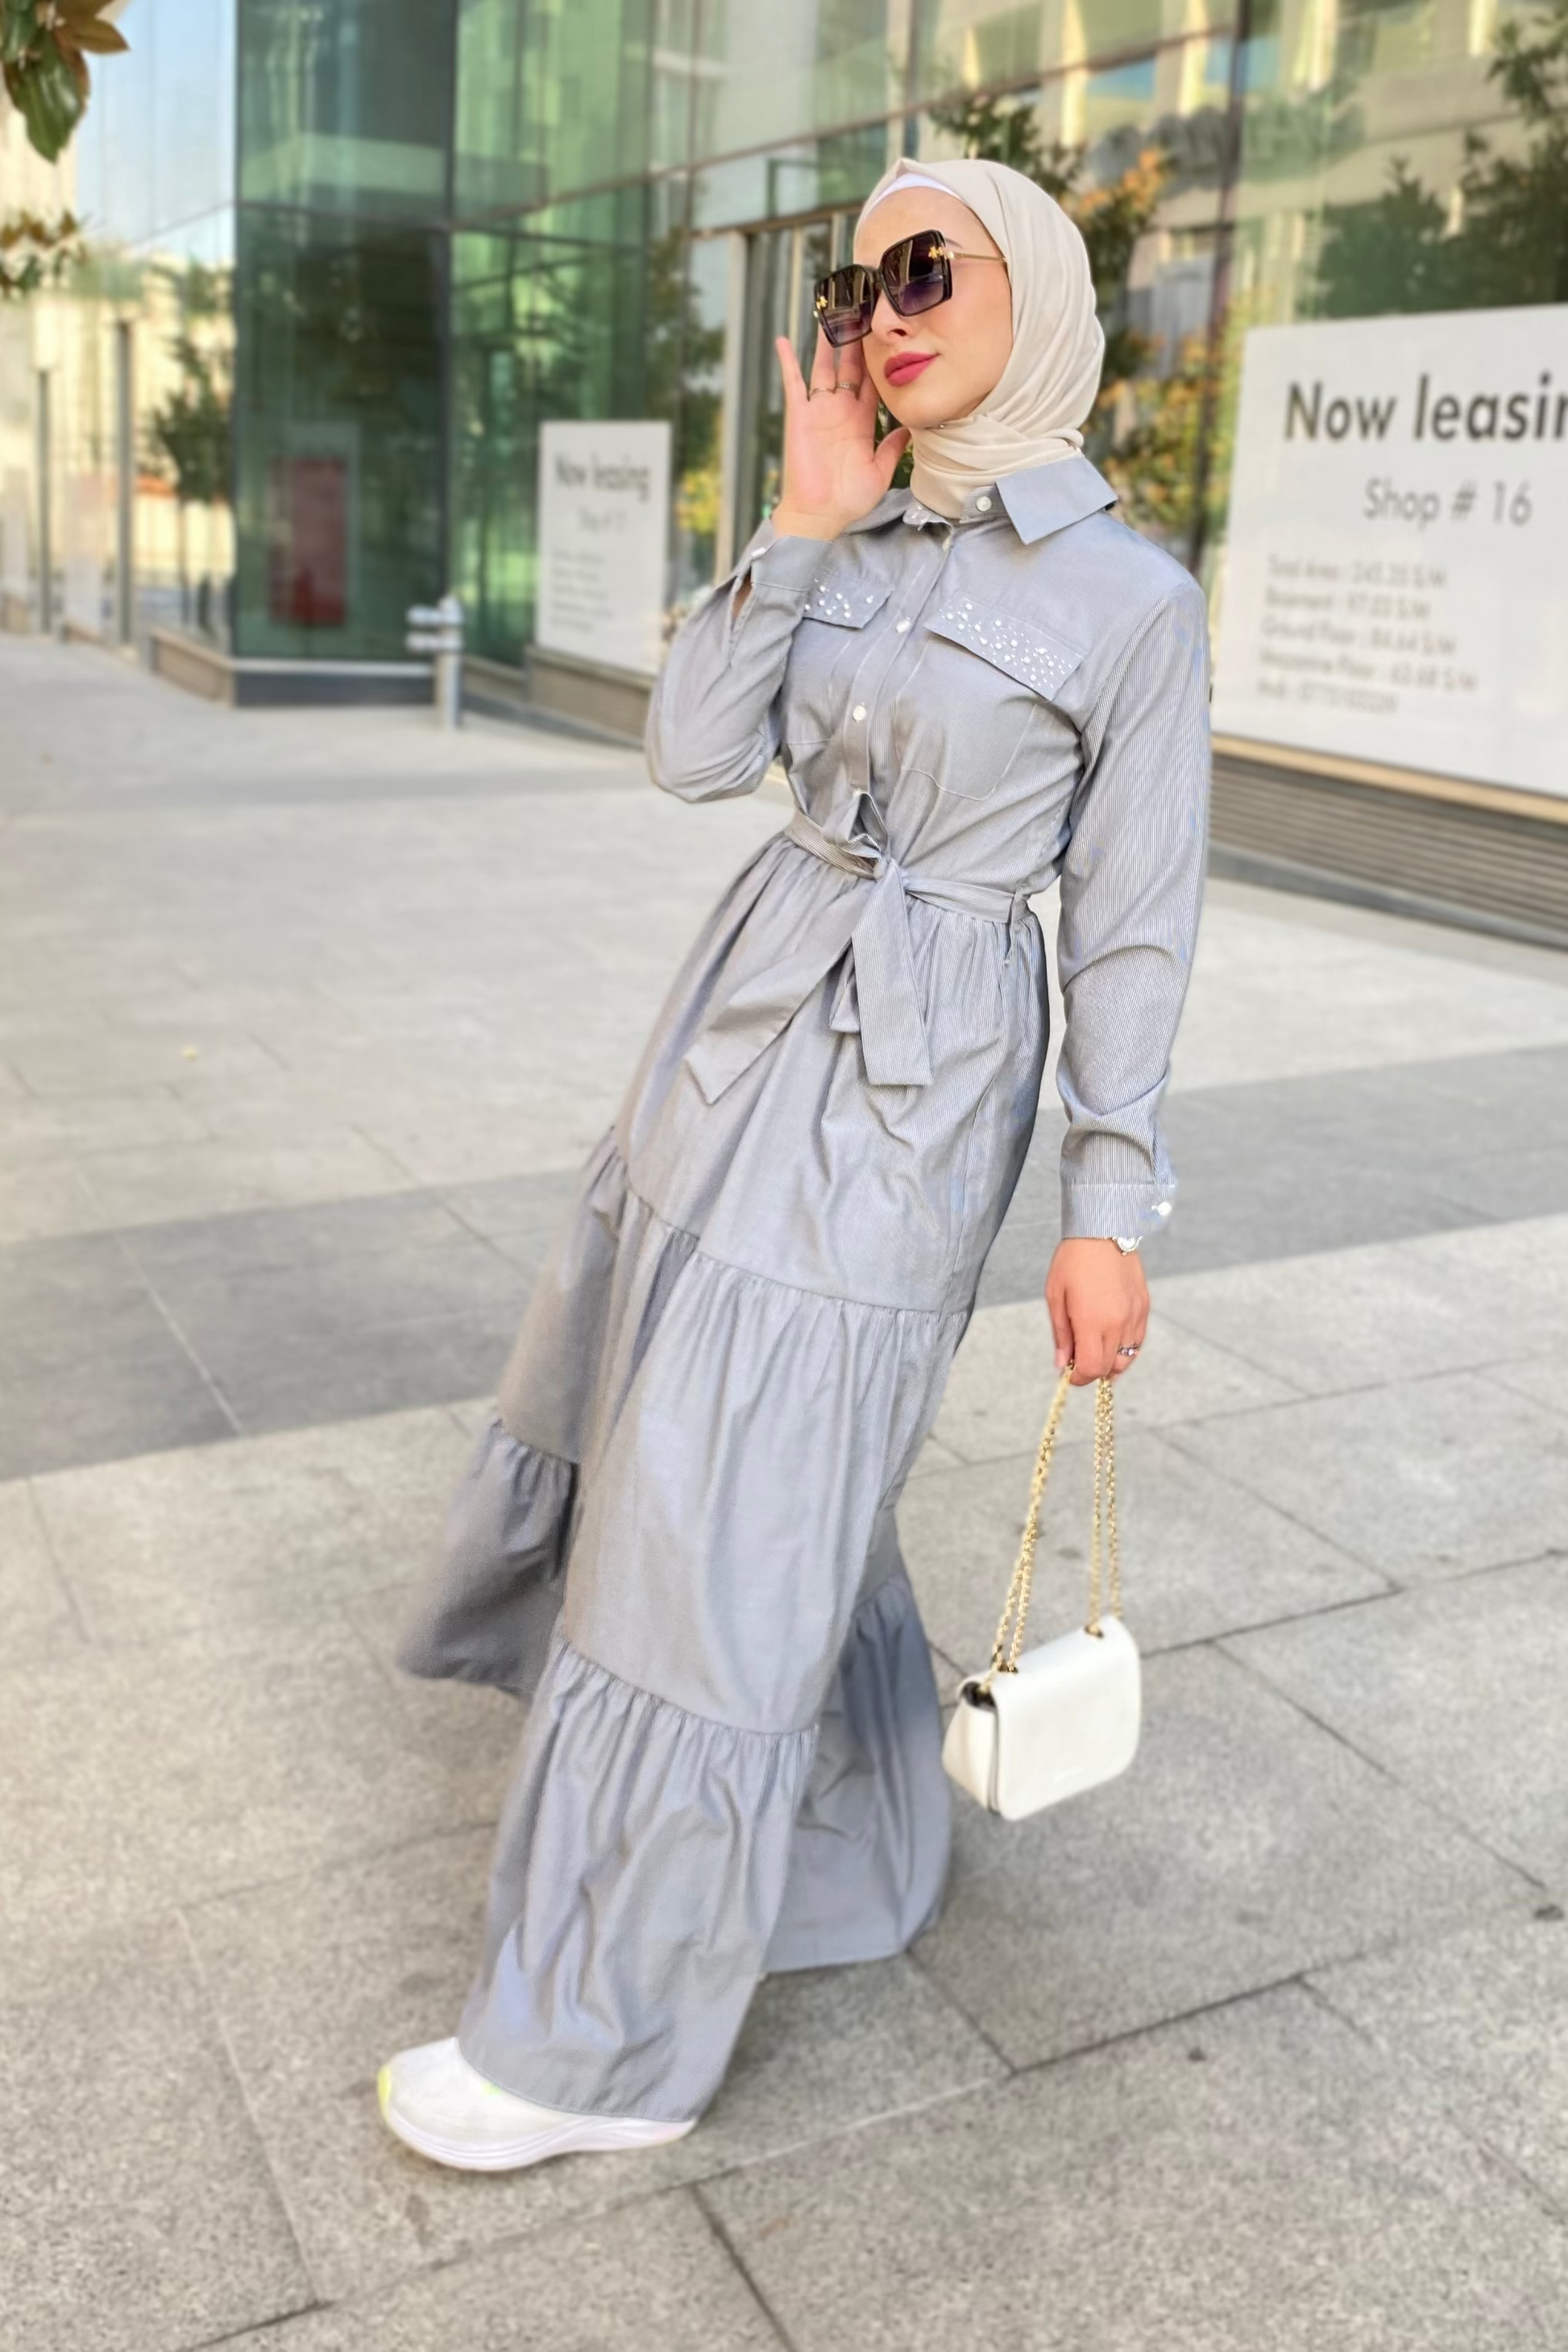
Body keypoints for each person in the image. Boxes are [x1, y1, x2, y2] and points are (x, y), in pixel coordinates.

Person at [380, 154, 1211, 2172]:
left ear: (1037, 293)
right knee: (731, 1471)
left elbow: (1131, 923)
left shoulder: (1131, 602)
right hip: (730, 1032)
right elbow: (688, 751)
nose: (885, 312)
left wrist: (1107, 1208)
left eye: (931, 269)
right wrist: (802, 511)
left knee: (724, 1502)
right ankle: (845, 1853)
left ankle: (597, 2040)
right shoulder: (856, 524)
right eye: (861, 283)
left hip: (913, 1091)